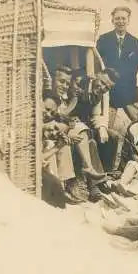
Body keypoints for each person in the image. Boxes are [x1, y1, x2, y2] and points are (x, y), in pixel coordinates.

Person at [53, 66, 120, 202]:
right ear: (97, 75)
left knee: (113, 137)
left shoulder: (100, 94)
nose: (102, 87)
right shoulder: (78, 83)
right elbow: (64, 107)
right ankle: (94, 182)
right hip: (70, 123)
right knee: (91, 142)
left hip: (84, 124)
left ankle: (102, 176)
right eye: (101, 82)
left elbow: (97, 114)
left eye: (107, 87)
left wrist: (101, 127)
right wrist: (71, 117)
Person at [96, 6, 138, 125]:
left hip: (127, 90)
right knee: (106, 125)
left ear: (128, 20)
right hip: (108, 91)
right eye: (117, 19)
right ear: (112, 20)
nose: (120, 22)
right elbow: (98, 64)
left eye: (123, 18)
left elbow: (133, 70)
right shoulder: (103, 40)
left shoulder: (135, 42)